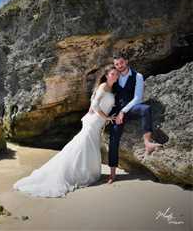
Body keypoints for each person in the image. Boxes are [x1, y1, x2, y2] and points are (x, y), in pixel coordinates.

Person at [13, 66, 119, 198]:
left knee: (88, 147)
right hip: (94, 122)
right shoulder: (103, 86)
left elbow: (94, 104)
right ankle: (74, 173)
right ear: (107, 75)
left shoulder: (110, 88)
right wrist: (107, 117)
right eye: (113, 74)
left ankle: (86, 171)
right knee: (82, 146)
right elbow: (96, 105)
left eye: (116, 74)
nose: (116, 76)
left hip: (97, 122)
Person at [107, 52, 162, 184]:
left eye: (121, 63)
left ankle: (148, 143)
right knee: (113, 137)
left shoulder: (137, 76)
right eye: (116, 64)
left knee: (146, 109)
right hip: (116, 111)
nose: (119, 66)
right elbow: (105, 90)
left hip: (131, 109)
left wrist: (123, 112)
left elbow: (138, 98)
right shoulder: (114, 76)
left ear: (126, 61)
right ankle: (112, 173)